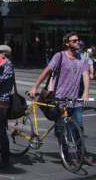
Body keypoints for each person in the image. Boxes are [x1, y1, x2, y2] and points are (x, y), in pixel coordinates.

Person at [30, 32, 94, 166]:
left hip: (75, 99)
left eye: (78, 40)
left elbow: (86, 75)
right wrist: (35, 87)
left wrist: (86, 93)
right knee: (61, 130)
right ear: (67, 43)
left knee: (79, 128)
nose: (78, 42)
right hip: (59, 99)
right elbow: (47, 71)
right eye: (74, 40)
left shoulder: (82, 58)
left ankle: (82, 154)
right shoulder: (59, 56)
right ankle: (66, 155)